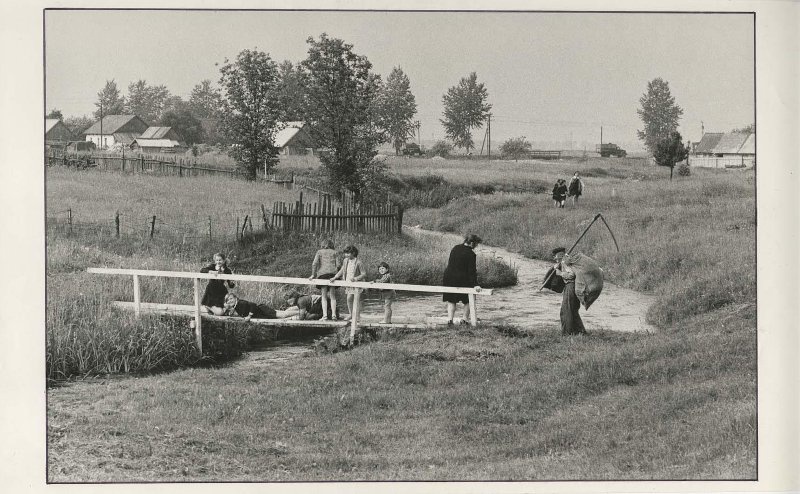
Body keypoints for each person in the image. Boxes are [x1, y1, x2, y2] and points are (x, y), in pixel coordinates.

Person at [442, 234, 482, 326]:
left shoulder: (455, 248)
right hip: (462, 279)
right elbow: (471, 272)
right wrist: (475, 284)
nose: (476, 246)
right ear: (471, 243)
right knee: (470, 299)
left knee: (451, 300)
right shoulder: (471, 254)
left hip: (449, 277)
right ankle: (464, 320)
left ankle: (450, 321)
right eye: (476, 244)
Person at [552, 247, 586, 335]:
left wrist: (560, 273)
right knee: (573, 310)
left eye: (555, 256)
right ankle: (580, 331)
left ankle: (567, 333)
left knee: (566, 310)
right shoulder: (566, 261)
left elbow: (571, 275)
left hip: (570, 286)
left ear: (560, 256)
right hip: (574, 287)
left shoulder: (564, 262)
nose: (554, 258)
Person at [330, 244, 366, 321]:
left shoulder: (359, 262)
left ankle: (357, 317)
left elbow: (363, 274)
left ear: (353, 253)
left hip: (356, 284)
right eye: (345, 253)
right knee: (349, 299)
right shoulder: (345, 261)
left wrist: (356, 278)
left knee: (356, 300)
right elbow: (342, 270)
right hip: (348, 283)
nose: (346, 255)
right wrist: (335, 277)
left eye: (348, 253)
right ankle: (351, 314)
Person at [309, 239, 339, 320]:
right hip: (333, 275)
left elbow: (314, 264)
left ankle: (325, 316)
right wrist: (337, 274)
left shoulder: (319, 252)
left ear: (322, 245)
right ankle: (334, 315)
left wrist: (313, 274)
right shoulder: (334, 252)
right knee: (333, 296)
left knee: (324, 296)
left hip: (323, 274)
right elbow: (338, 265)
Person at [223, 293, 297, 321]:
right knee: (283, 313)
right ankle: (298, 309)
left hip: (263, 310)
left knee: (283, 315)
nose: (230, 301)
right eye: (228, 300)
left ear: (235, 298)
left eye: (231, 299)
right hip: (262, 311)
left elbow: (253, 305)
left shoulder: (240, 303)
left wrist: (249, 316)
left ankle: (301, 312)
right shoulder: (236, 306)